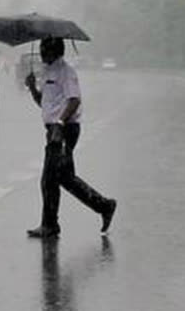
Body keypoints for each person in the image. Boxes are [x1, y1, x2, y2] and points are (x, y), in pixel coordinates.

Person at [25, 36, 117, 239]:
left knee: (49, 179)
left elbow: (74, 100)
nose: (40, 52)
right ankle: (104, 205)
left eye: (44, 48)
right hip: (54, 130)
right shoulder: (48, 72)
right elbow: (46, 104)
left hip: (64, 130)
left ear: (55, 50)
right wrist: (33, 88)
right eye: (40, 47)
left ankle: (50, 225)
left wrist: (59, 123)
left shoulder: (66, 72)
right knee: (65, 178)